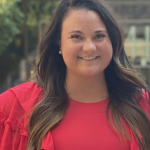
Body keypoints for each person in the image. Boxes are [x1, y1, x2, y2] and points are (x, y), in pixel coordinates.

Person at [0, 0, 150, 150]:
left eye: (99, 36)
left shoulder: (142, 105)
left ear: (113, 41)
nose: (89, 47)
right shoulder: (15, 106)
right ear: (59, 43)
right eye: (76, 37)